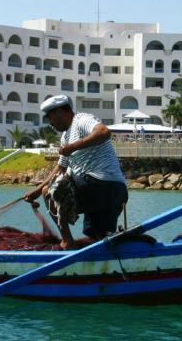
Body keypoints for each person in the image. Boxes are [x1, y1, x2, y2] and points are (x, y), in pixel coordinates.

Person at [23, 95, 128, 249]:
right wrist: (37, 191)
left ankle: (67, 241)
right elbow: (60, 168)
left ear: (60, 112)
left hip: (101, 186)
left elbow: (104, 132)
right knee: (97, 238)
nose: (50, 123)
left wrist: (74, 147)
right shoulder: (65, 137)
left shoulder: (81, 120)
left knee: (50, 191)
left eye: (50, 117)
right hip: (112, 193)